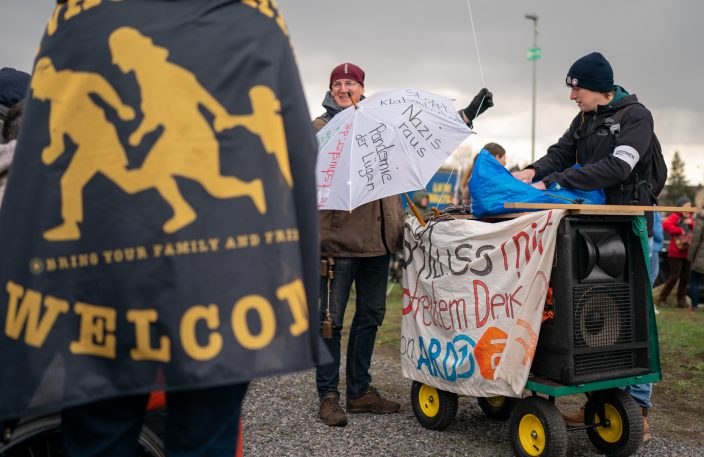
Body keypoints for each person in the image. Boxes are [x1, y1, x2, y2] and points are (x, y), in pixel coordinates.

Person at [0, 1, 323, 455]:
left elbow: (38, 161)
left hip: (105, 274)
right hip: (225, 274)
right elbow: (297, 149)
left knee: (101, 429)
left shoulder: (80, 14)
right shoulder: (252, 15)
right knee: (204, 433)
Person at [314, 62, 493, 427]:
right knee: (329, 323)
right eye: (338, 83)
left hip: (381, 243)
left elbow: (422, 130)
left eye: (350, 83)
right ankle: (328, 395)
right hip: (338, 243)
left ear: (363, 89)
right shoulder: (321, 131)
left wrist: (467, 115)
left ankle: (360, 391)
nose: (343, 88)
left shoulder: (381, 122)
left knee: (371, 317)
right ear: (330, 90)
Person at [511, 51, 655, 442]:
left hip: (631, 230)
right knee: (595, 319)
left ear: (595, 87)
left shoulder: (636, 117)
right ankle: (600, 404)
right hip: (590, 232)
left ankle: (636, 410)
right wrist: (530, 172)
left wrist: (557, 179)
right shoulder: (583, 120)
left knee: (632, 319)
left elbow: (617, 168)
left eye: (576, 89)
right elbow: (559, 152)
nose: (573, 97)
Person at [659, 196, 694, 308]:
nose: (688, 208)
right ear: (680, 207)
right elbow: (666, 225)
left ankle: (681, 300)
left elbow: (696, 229)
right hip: (676, 252)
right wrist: (680, 230)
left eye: (690, 206)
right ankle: (662, 298)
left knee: (685, 278)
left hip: (687, 252)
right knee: (674, 277)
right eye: (686, 206)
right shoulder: (675, 216)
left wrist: (690, 223)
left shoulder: (690, 217)